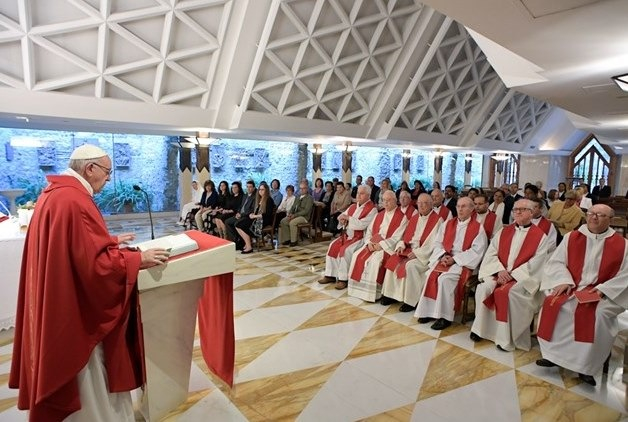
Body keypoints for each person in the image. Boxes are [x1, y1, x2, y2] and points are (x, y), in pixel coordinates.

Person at [9, 145, 168, 421]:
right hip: (76, 312)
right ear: (90, 168)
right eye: (107, 171)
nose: (109, 178)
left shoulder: (56, 194)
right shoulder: (75, 200)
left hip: (60, 297)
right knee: (89, 381)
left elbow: (73, 246)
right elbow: (96, 267)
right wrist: (137, 259)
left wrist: (110, 241)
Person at [535, 204, 628, 386]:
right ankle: (554, 356)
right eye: (591, 213)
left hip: (603, 292)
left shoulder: (623, 245)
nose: (594, 217)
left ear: (610, 219)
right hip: (572, 286)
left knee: (598, 315)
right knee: (553, 304)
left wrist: (604, 289)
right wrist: (564, 280)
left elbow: (626, 274)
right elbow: (556, 262)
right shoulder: (571, 237)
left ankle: (586, 366)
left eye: (600, 215)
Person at [470, 199, 551, 351]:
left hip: (522, 279)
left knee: (508, 293)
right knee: (483, 289)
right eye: (515, 209)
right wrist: (499, 270)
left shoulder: (540, 236)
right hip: (499, 273)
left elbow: (537, 263)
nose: (517, 212)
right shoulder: (504, 231)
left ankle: (504, 338)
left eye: (522, 209)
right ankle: (481, 329)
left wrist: (513, 275)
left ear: (531, 213)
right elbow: (491, 253)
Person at [415, 197, 488, 330]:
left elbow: (477, 251)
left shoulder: (478, 228)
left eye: (464, 206)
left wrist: (455, 259)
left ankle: (445, 317)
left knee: (444, 279)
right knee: (430, 275)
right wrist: (442, 256)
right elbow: (438, 243)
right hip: (445, 258)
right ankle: (429, 312)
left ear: (471, 209)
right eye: (458, 206)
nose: (460, 209)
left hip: (463, 263)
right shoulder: (448, 224)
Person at [381, 193, 442, 312]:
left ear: (431, 205)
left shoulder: (438, 220)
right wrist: (401, 245)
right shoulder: (414, 218)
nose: (422, 206)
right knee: (393, 260)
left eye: (425, 203)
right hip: (409, 251)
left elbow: (435, 244)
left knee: (410, 266)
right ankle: (391, 294)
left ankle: (411, 301)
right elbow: (405, 236)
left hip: (425, 256)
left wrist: (418, 253)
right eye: (419, 203)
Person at [347, 190, 407, 302]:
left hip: (387, 248)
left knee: (375, 261)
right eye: (384, 200)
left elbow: (398, 237)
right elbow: (369, 231)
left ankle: (373, 294)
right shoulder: (379, 215)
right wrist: (369, 243)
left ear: (395, 201)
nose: (386, 203)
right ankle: (357, 290)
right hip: (373, 245)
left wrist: (381, 245)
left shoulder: (402, 218)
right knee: (356, 255)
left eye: (389, 200)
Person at [319, 185, 377, 290]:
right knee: (332, 246)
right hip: (347, 235)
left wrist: (348, 218)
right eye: (358, 193)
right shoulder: (353, 206)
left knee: (346, 251)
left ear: (368, 195)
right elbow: (341, 216)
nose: (358, 195)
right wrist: (342, 220)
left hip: (359, 238)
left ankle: (343, 279)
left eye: (362, 193)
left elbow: (362, 225)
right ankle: (330, 275)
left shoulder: (372, 210)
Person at [236, 182, 276, 254]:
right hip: (257, 218)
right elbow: (257, 212)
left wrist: (255, 216)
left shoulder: (269, 200)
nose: (260, 191)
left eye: (262, 190)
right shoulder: (260, 199)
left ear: (266, 190)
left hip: (264, 220)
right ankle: (247, 243)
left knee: (242, 225)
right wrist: (253, 214)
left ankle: (249, 246)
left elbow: (267, 214)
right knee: (238, 224)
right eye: (259, 189)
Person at [279, 180, 313, 246]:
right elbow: (293, 207)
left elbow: (306, 211)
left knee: (292, 222)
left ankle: (293, 241)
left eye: (303, 188)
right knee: (283, 221)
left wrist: (295, 215)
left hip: (304, 217)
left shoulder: (309, 198)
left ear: (307, 189)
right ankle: (287, 239)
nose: (302, 190)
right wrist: (290, 214)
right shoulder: (298, 197)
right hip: (295, 215)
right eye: (301, 188)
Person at [225, 180, 257, 248]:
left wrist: (241, 215)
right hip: (240, 214)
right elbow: (241, 206)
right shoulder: (245, 196)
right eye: (247, 187)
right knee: (227, 222)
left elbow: (252, 210)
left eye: (250, 187)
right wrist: (238, 213)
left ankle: (241, 241)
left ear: (254, 188)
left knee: (237, 223)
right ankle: (234, 240)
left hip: (246, 216)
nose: (248, 188)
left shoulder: (255, 197)